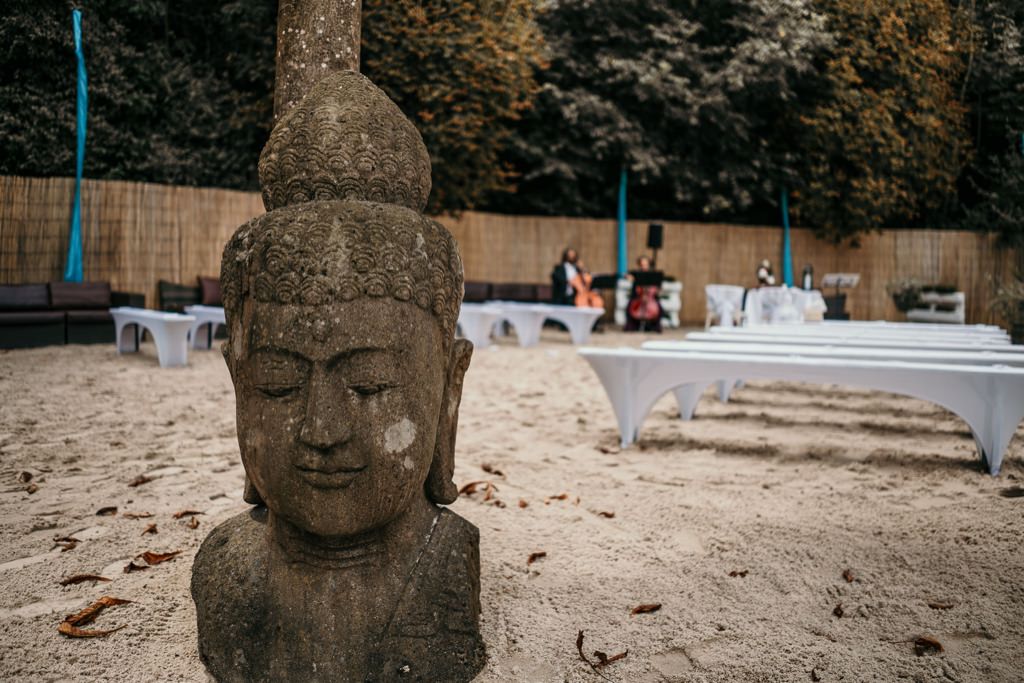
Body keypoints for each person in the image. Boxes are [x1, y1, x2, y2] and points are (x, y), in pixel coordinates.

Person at [624, 255, 663, 332]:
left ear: (649, 264)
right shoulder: (636, 273)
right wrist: (629, 278)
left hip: (651, 298)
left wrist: (657, 290)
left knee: (660, 309)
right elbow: (626, 276)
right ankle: (631, 326)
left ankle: (656, 327)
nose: (644, 266)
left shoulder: (654, 274)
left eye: (645, 264)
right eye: (642, 265)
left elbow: (659, 287)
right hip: (637, 297)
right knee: (629, 307)